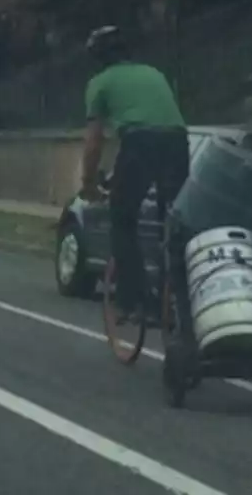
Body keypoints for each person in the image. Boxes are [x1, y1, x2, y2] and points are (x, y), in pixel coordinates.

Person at [79, 25, 191, 322]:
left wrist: (88, 183)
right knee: (173, 221)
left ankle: (135, 300)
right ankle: (180, 294)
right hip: (178, 141)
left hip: (140, 142)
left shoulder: (100, 83)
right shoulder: (154, 73)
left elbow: (94, 142)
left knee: (122, 219)